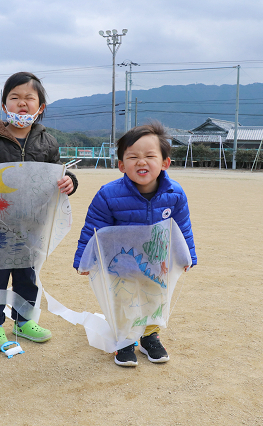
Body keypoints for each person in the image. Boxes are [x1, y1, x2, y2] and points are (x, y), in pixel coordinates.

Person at [0, 71, 78, 352]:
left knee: (28, 274)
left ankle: (24, 322)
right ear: (4, 105)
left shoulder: (47, 141)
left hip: (32, 225)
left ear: (41, 107)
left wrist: (70, 182)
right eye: (15, 98)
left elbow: (60, 172)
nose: (22, 104)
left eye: (29, 98)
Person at [73, 122, 197, 367]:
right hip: (122, 265)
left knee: (156, 299)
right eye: (133, 157)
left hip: (157, 262)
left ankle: (149, 337)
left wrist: (186, 256)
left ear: (165, 163)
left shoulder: (175, 194)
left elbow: (182, 229)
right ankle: (124, 341)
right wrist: (83, 259)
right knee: (123, 301)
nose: (142, 162)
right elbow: (93, 229)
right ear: (121, 165)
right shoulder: (108, 194)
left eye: (150, 156)